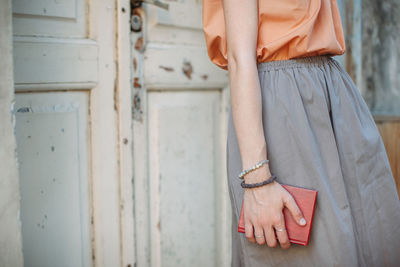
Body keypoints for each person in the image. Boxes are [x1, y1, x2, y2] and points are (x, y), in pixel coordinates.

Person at [202, 0, 400, 266]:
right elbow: (240, 57)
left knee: (370, 239)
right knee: (313, 251)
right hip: (284, 109)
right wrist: (258, 180)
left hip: (333, 96)